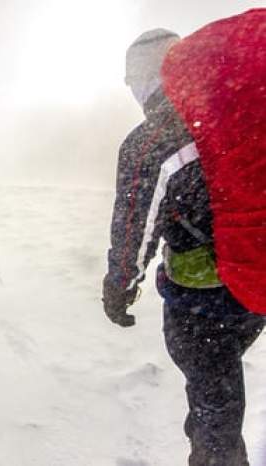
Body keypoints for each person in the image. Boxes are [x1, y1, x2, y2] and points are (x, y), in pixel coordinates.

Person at [103, 10, 266, 466]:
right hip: (254, 287)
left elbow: (134, 226)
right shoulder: (240, 110)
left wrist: (119, 287)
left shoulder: (152, 139)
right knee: (220, 397)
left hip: (202, 303)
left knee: (215, 411)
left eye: (131, 80)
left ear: (142, 78)